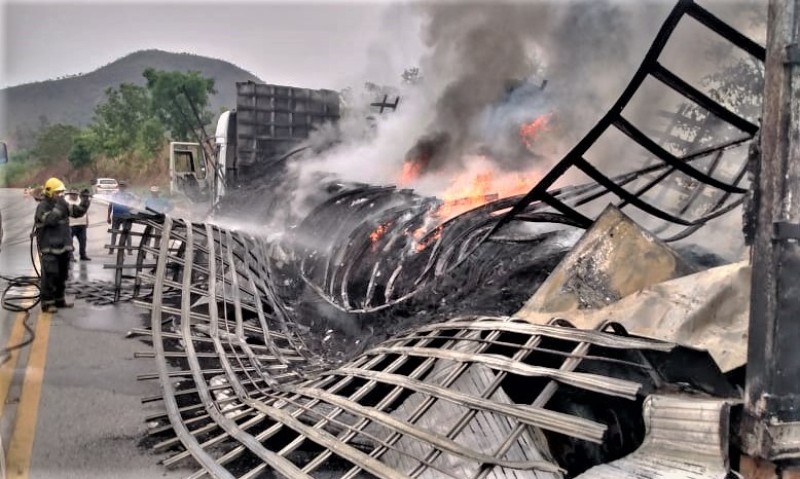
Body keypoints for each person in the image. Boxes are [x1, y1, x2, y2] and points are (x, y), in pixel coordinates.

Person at [34, 177, 91, 313]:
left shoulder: (62, 204)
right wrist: (60, 206)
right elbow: (51, 220)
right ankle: (48, 303)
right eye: (57, 192)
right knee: (50, 275)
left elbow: (77, 212)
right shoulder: (42, 206)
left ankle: (59, 300)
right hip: (49, 248)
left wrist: (85, 199)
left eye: (61, 192)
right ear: (49, 192)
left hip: (64, 247)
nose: (60, 195)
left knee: (62, 275)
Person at [107, 181, 137, 255]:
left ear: (125, 187)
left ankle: (129, 250)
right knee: (114, 232)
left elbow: (137, 200)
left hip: (126, 216)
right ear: (118, 187)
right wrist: (108, 216)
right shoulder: (115, 195)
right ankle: (112, 249)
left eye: (123, 186)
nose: (121, 187)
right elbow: (110, 205)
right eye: (120, 186)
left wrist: (132, 208)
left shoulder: (129, 195)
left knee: (127, 232)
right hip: (116, 215)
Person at [65, 189, 92, 261]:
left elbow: (84, 212)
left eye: (76, 194)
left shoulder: (81, 200)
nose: (75, 196)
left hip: (82, 224)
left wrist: (87, 221)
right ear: (70, 194)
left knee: (83, 241)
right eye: (73, 194)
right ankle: (70, 256)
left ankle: (83, 255)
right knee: (69, 241)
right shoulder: (66, 201)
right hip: (71, 225)